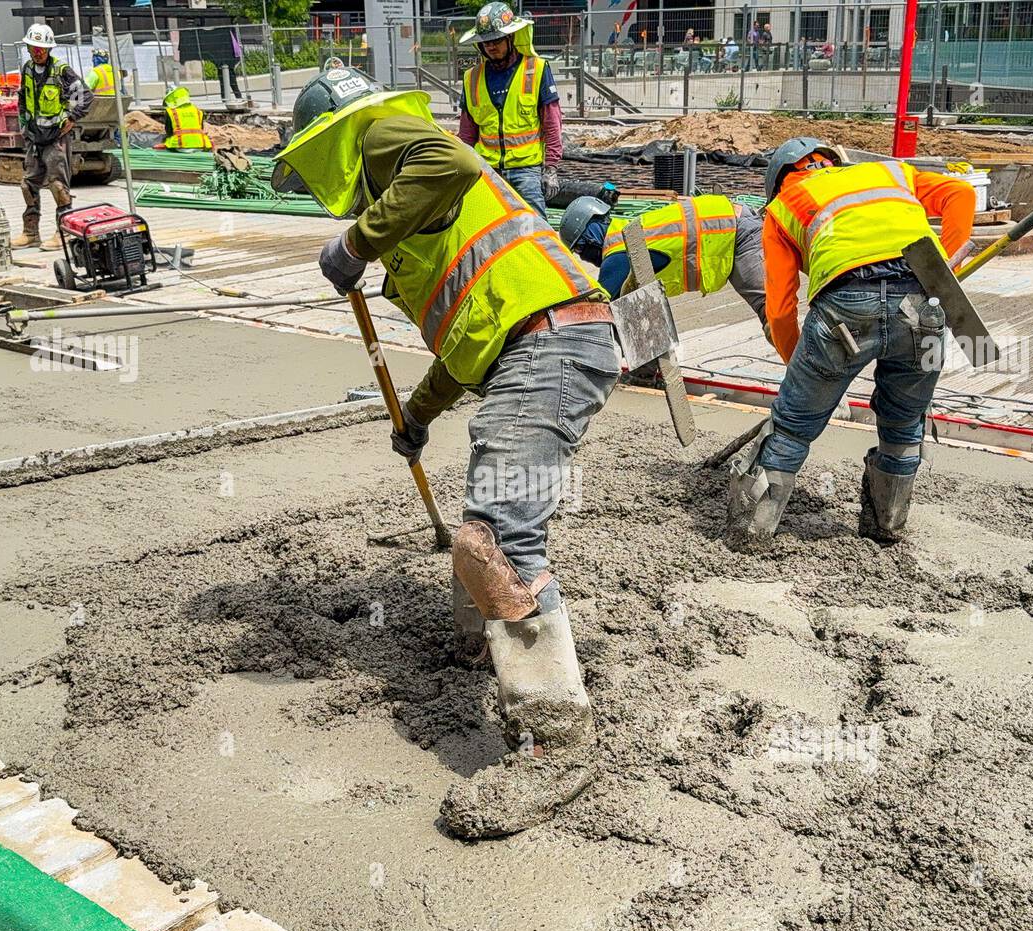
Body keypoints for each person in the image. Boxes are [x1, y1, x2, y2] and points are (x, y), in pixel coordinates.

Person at [273, 61, 619, 840]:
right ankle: (478, 645)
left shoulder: (382, 136)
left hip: (554, 343)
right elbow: (467, 341)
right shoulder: (415, 218)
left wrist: (356, 242)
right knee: (483, 528)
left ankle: (556, 746)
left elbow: (455, 157)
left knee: (491, 537)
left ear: (325, 143)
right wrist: (420, 416)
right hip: (538, 345)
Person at [727, 137, 976, 544]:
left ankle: (750, 533)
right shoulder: (887, 171)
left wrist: (799, 369)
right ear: (834, 161)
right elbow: (961, 194)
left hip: (846, 304)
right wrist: (943, 269)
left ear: (779, 180)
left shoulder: (784, 206)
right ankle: (887, 528)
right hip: (923, 302)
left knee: (791, 427)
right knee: (904, 422)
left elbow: (779, 309)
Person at [559, 193, 766, 326]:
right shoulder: (627, 231)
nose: (583, 257)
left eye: (579, 249)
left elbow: (598, 310)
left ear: (588, 238)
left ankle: (796, 385)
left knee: (772, 314)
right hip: (731, 225)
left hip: (736, 232)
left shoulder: (618, 254)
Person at [457, 3, 561, 218]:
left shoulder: (536, 69)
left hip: (526, 170)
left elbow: (552, 122)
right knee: (490, 229)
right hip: (488, 170)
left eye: (496, 40)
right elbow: (467, 133)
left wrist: (550, 168)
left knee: (534, 230)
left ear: (510, 38)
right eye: (486, 42)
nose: (491, 46)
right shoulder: (472, 78)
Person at [12, 23, 92, 251]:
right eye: (33, 47)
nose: (37, 51)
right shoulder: (27, 69)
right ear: (28, 47)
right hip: (34, 139)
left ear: (49, 49)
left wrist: (71, 118)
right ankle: (30, 232)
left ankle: (63, 233)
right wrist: (24, 126)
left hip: (56, 139)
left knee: (58, 186)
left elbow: (84, 95)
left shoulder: (61, 71)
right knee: (28, 185)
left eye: (42, 48)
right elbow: (23, 100)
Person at [159, 85, 213, 150]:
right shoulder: (198, 111)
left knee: (165, 140)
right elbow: (200, 128)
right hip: (200, 144)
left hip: (179, 145)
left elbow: (169, 132)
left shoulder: (171, 112)